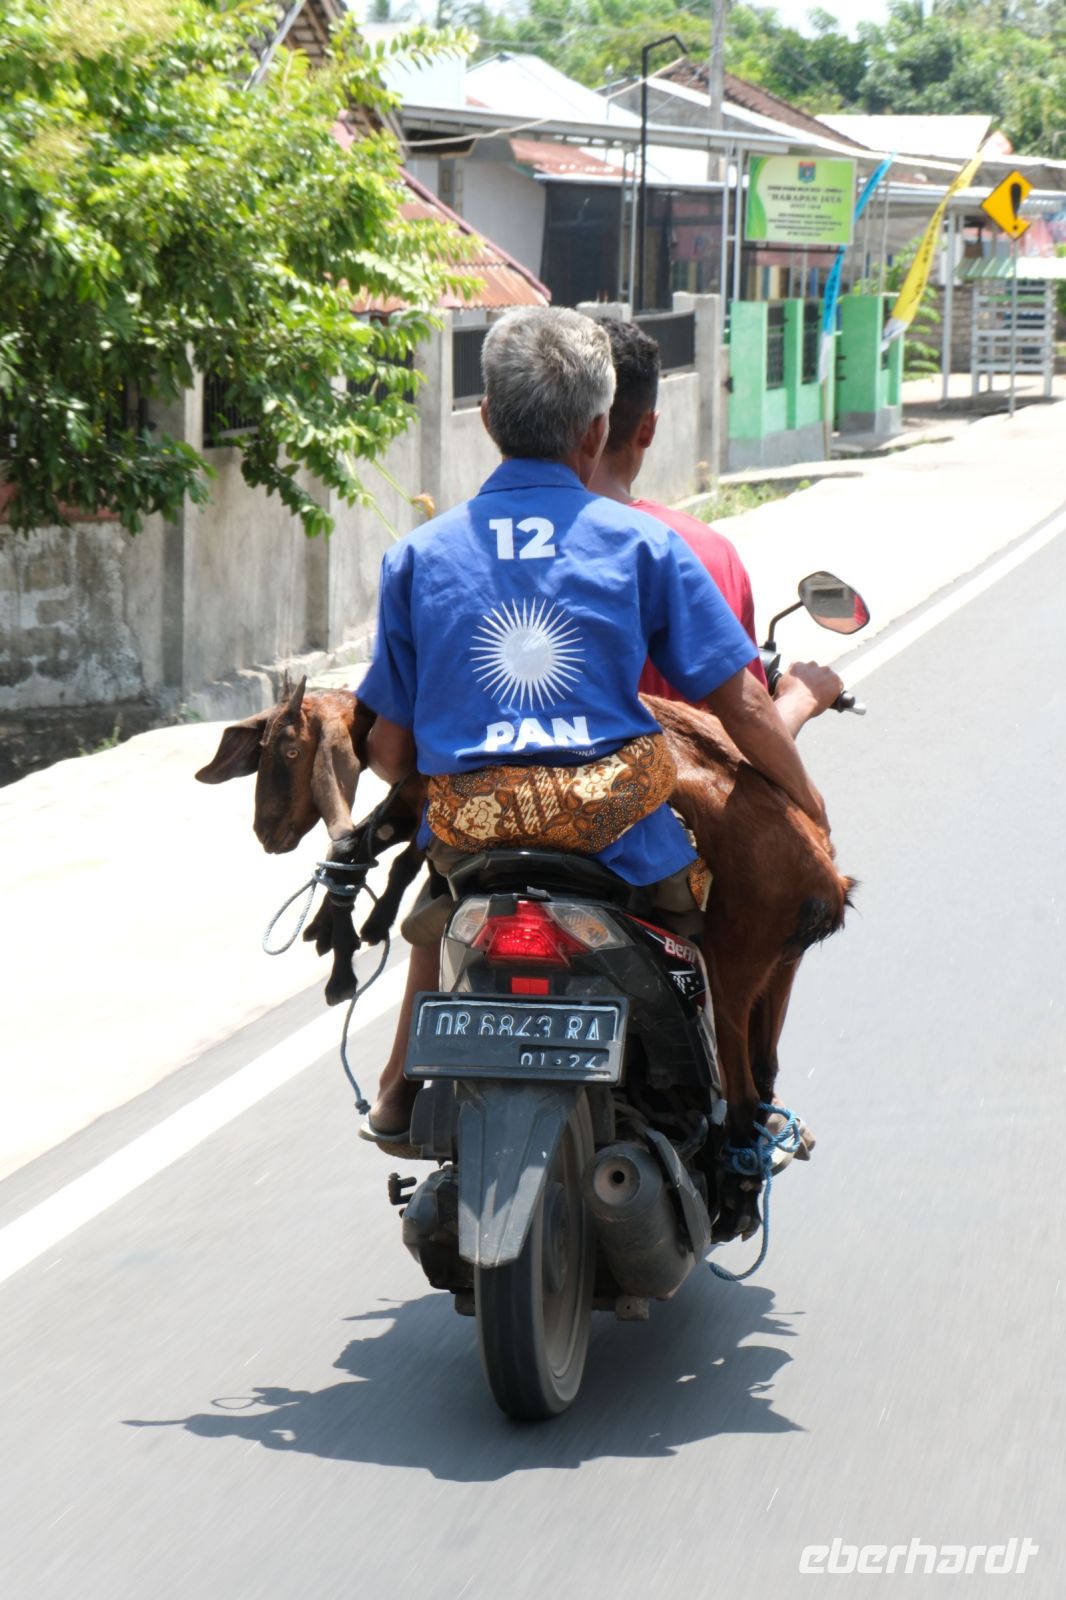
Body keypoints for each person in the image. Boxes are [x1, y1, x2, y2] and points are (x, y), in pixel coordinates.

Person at [355, 307, 827, 1148]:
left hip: (474, 844)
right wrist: (806, 804)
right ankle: (724, 1120)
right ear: (599, 430)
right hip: (618, 844)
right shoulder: (646, 546)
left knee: (438, 908)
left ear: (488, 419)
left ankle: (399, 1089)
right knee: (696, 946)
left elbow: (389, 751)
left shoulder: (418, 557)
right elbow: (745, 707)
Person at [589, 318, 843, 736]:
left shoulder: (494, 543)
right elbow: (748, 733)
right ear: (648, 428)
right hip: (674, 780)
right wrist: (801, 698)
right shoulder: (701, 550)